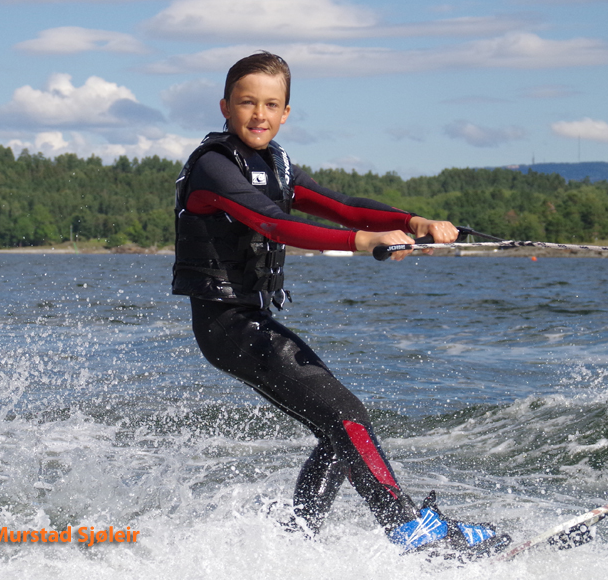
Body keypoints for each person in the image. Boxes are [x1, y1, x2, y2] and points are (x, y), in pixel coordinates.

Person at [172, 51, 510, 560]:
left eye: (271, 104)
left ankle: (298, 539)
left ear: (286, 112)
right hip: (226, 325)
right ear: (225, 106)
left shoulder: (278, 164)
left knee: (337, 430)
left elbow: (345, 206)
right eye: (246, 102)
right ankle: (410, 531)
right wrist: (364, 241)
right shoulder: (214, 167)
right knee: (348, 416)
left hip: (251, 320)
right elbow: (272, 223)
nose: (259, 114)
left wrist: (413, 221)